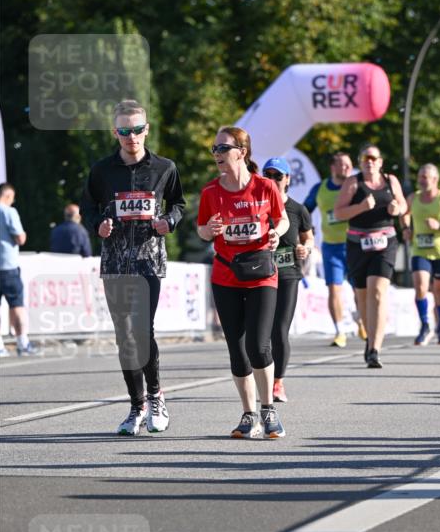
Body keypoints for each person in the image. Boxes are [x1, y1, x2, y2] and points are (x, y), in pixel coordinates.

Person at [81, 100, 185, 435]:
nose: (132, 136)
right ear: (115, 132)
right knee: (124, 337)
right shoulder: (101, 170)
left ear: (147, 129)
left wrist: (170, 220)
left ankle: (156, 396)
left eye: (137, 129)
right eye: (124, 131)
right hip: (114, 261)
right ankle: (136, 405)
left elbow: (180, 204)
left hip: (148, 260)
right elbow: (87, 207)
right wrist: (97, 224)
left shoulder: (164, 167)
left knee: (142, 331)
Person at [197, 127, 289, 438]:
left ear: (242, 152)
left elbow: (283, 217)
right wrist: (209, 229)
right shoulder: (211, 192)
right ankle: (249, 415)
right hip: (225, 275)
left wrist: (277, 232)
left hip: (262, 274)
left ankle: (269, 409)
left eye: (223, 148)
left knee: (259, 345)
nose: (217, 155)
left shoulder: (265, 187)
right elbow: (201, 230)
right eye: (215, 149)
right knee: (237, 350)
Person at [333, 144, 407, 368]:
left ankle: (375, 348)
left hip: (385, 242)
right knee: (363, 296)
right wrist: (361, 207)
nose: (369, 161)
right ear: (361, 161)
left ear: (380, 161)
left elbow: (403, 204)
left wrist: (398, 209)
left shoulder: (390, 181)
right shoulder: (353, 183)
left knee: (378, 291)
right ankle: (369, 340)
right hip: (358, 243)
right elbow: (339, 212)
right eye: (365, 158)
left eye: (373, 158)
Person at [262, 156, 314, 404]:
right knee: (260, 330)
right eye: (267, 175)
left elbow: (309, 238)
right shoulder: (257, 206)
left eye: (277, 176)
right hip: (260, 274)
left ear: (287, 180)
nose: (272, 180)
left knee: (279, 330)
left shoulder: (297, 209)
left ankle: (277, 382)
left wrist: (306, 248)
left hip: (288, 274)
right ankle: (261, 376)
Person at [304, 152, 366, 347]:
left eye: (349, 165)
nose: (347, 169)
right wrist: (306, 232)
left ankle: (362, 322)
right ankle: (340, 331)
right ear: (333, 167)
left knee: (359, 289)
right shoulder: (320, 189)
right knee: (334, 289)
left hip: (355, 244)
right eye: (343, 165)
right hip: (331, 247)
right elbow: (305, 210)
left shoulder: (355, 187)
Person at [401, 163, 440, 346]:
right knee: (420, 287)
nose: (421, 180)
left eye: (425, 177)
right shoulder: (413, 198)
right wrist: (406, 228)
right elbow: (404, 213)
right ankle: (425, 325)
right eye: (420, 177)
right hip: (420, 249)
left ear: (435, 180)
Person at [0, 182, 38, 356]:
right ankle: (23, 343)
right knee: (17, 305)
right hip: (7, 266)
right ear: (7, 196)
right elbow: (20, 238)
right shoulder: (9, 211)